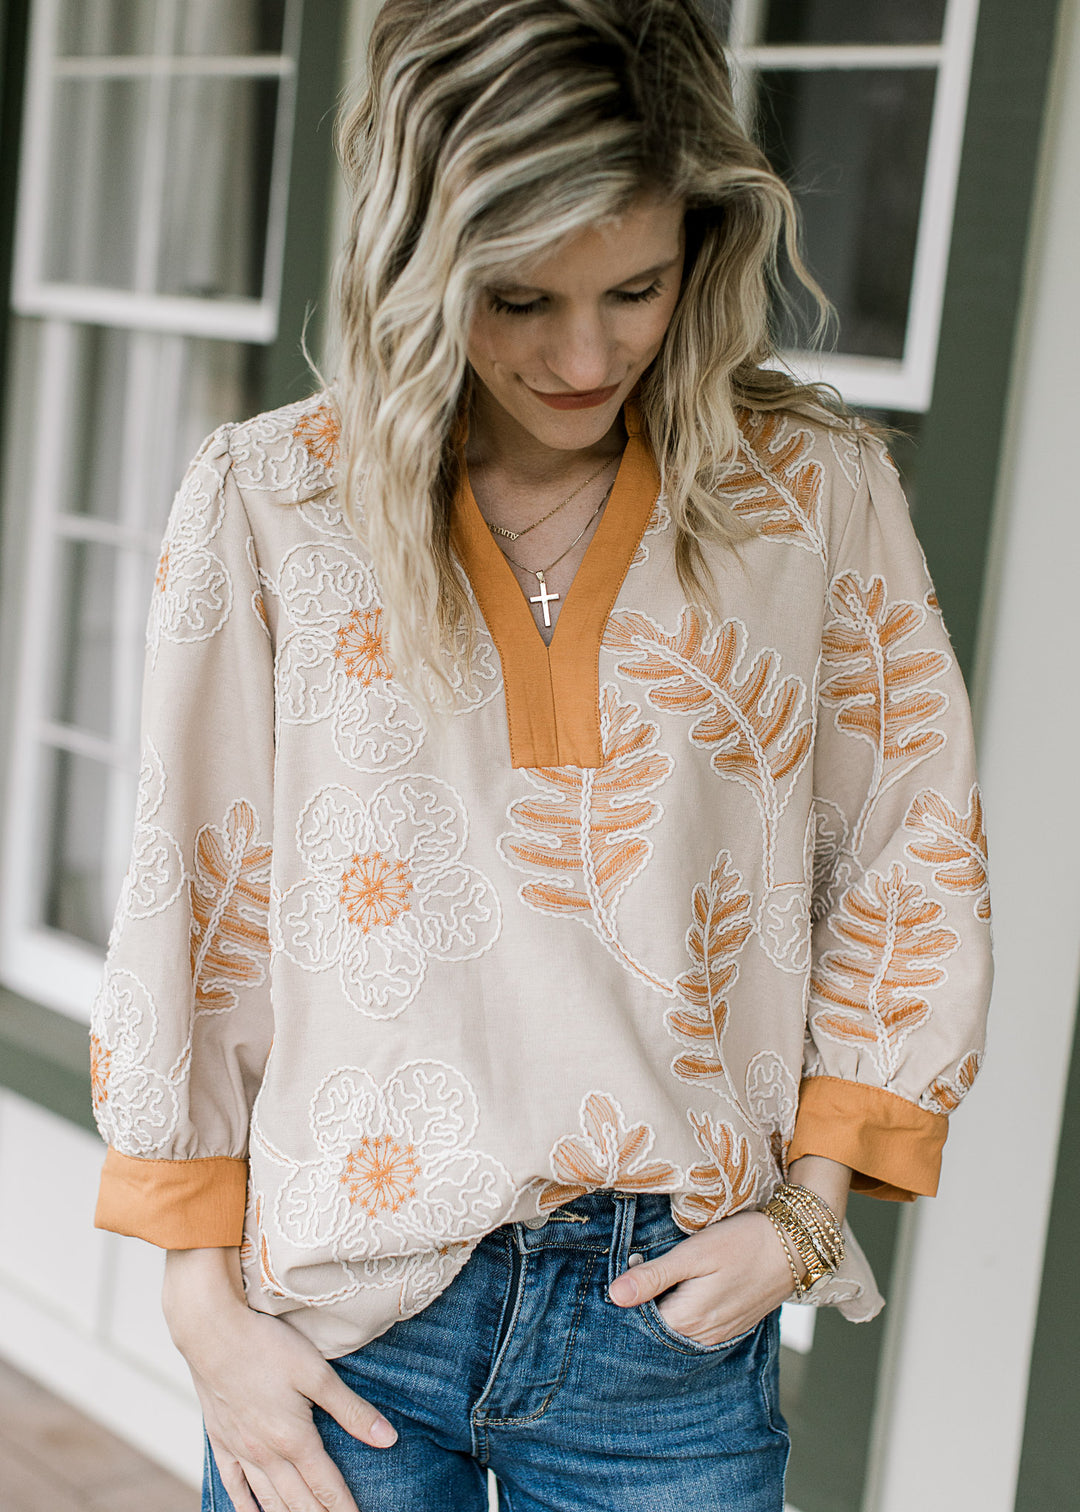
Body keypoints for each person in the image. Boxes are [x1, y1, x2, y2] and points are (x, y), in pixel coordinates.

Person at [89, 3, 993, 1509]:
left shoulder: (816, 499)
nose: (586, 354)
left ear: (700, 247)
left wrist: (813, 1216)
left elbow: (912, 848)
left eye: (634, 289)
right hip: (341, 1323)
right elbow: (189, 901)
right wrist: (199, 1307)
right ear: (417, 272)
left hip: (668, 1329)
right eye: (517, 300)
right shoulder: (271, 503)